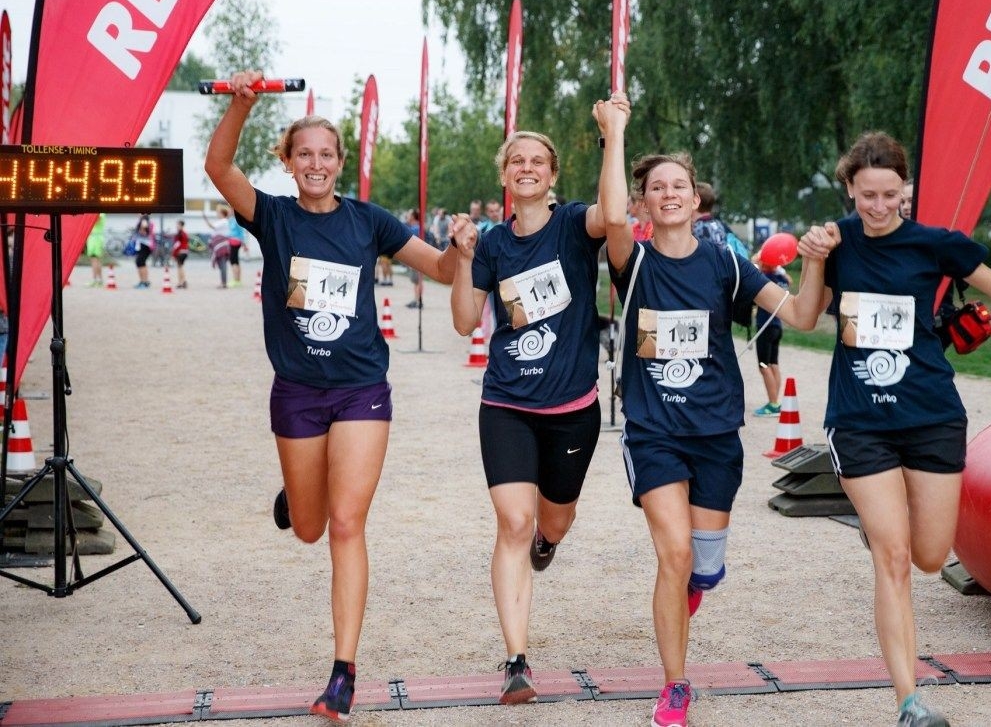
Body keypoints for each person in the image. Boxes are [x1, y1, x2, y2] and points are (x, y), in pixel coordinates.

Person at [790, 131, 991, 727]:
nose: (879, 206)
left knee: (930, 555)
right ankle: (909, 701)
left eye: (890, 194)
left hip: (931, 414)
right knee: (893, 557)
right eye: (867, 195)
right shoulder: (835, 242)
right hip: (860, 420)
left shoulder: (934, 244)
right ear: (850, 190)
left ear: (906, 189)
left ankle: (886, 530)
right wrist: (813, 259)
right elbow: (807, 316)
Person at [204, 69, 473, 722]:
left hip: (360, 391)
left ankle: (343, 670)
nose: (316, 164)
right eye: (305, 154)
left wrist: (461, 249)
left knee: (347, 525)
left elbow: (440, 270)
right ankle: (301, 492)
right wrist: (241, 105)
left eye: (326, 154)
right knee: (309, 528)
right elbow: (218, 167)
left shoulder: (367, 221)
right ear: (289, 162)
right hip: (297, 392)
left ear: (340, 162)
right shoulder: (273, 216)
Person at [595, 95, 810, 727]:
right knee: (674, 554)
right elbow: (610, 212)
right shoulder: (632, 260)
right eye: (655, 187)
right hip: (654, 431)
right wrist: (615, 132)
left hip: (717, 433)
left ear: (695, 200)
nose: (667, 193)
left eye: (678, 186)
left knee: (703, 567)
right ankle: (675, 686)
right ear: (643, 204)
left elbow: (800, 315)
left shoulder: (724, 263)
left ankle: (696, 582)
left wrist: (819, 262)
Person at [448, 121, 623, 706]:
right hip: (507, 404)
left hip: (572, 408)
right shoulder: (493, 244)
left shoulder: (573, 225)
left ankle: (549, 539)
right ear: (504, 175)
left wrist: (614, 134)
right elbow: (465, 321)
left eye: (537, 161)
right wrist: (463, 256)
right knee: (513, 524)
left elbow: (614, 214)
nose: (526, 168)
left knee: (553, 522)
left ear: (552, 175)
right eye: (516, 161)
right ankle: (517, 660)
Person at [751, 258, 790, 416]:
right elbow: (789, 281)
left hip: (765, 326)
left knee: (763, 365)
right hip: (777, 326)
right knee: (773, 364)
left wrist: (757, 264)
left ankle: (773, 403)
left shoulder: (764, 278)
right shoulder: (782, 279)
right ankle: (775, 401)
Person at [132, 213, 154, 289]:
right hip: (144, 245)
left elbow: (144, 231)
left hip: (144, 244)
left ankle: (143, 282)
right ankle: (144, 281)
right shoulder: (147, 221)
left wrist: (139, 230)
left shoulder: (144, 221)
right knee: (141, 263)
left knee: (140, 262)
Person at [86, 213, 107, 287]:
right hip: (94, 238)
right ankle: (99, 280)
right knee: (95, 260)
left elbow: (95, 221)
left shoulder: (100, 214)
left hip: (96, 238)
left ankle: (96, 280)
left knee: (95, 260)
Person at [170, 220, 189, 289]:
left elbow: (177, 245)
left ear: (181, 225)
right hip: (185, 252)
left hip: (181, 252)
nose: (176, 226)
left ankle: (181, 282)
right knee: (180, 267)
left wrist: (173, 254)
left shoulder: (180, 234)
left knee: (179, 267)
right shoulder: (185, 234)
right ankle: (183, 281)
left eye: (178, 225)